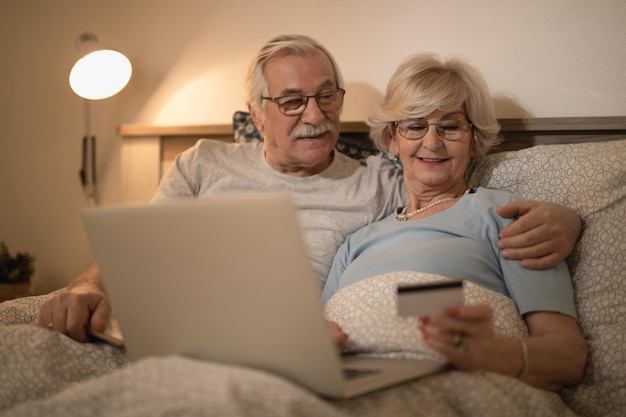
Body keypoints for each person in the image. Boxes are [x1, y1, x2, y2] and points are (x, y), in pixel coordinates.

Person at [39, 35, 581, 344]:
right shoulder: (204, 163)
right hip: (169, 326)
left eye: (328, 96)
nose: (316, 117)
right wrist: (88, 287)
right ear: (256, 112)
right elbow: (134, 249)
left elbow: (447, 251)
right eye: (293, 100)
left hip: (303, 345)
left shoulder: (387, 183)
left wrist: (572, 219)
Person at [321, 53, 587, 391]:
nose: (432, 142)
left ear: (474, 140)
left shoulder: (507, 216)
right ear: (392, 138)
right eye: (415, 125)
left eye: (451, 126)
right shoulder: (354, 243)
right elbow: (318, 338)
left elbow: (568, 356)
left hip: (452, 386)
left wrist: (494, 354)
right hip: (351, 384)